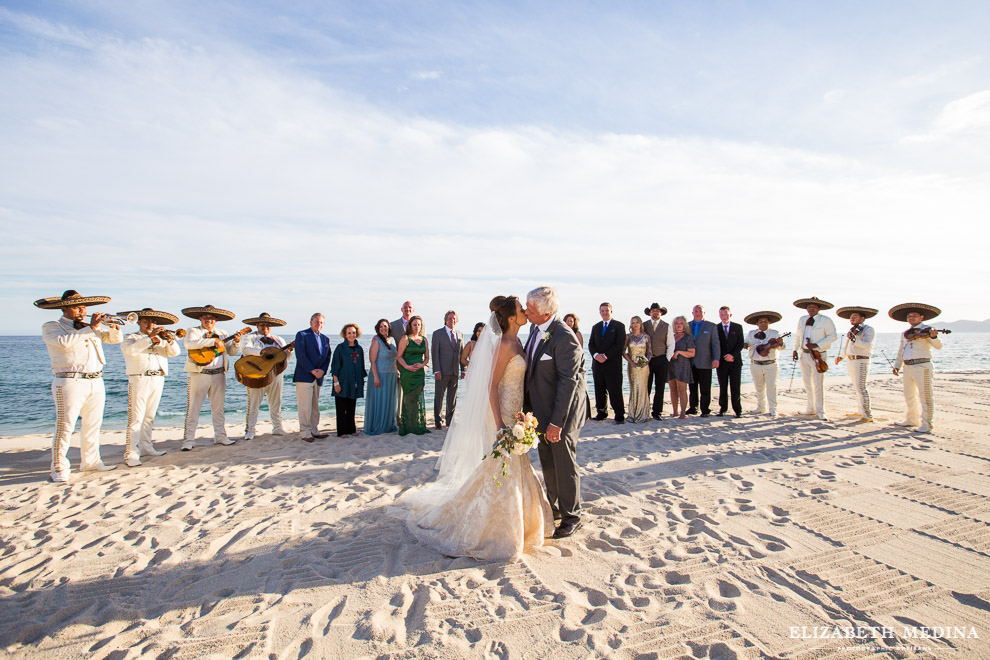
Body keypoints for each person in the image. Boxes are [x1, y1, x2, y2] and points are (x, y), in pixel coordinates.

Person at [398, 295, 553, 560]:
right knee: (505, 463)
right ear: (511, 317)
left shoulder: (518, 340)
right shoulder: (504, 344)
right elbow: (491, 386)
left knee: (514, 464)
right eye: (521, 309)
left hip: (516, 413)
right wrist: (501, 423)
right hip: (501, 414)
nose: (526, 311)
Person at [36, 290, 123, 482]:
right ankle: (59, 467)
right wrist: (90, 328)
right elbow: (64, 343)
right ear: (64, 308)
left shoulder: (89, 327)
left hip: (96, 380)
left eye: (84, 307)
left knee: (93, 424)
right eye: (77, 307)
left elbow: (115, 339)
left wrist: (114, 326)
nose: (82, 310)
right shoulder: (53, 326)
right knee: (65, 425)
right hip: (69, 380)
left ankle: (91, 461)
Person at [524, 286, 588, 539]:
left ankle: (573, 515)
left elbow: (568, 383)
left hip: (562, 413)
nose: (525, 311)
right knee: (547, 460)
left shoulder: (564, 337)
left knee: (564, 461)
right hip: (541, 409)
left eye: (530, 308)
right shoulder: (534, 328)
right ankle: (555, 508)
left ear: (545, 312)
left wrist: (557, 423)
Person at [120, 308, 181, 466]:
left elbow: (174, 353)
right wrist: (149, 338)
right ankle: (131, 453)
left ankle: (146, 446)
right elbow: (130, 351)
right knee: (136, 418)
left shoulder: (160, 339)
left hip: (158, 377)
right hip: (140, 378)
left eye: (153, 322)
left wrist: (170, 340)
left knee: (149, 417)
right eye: (146, 321)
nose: (150, 324)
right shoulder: (131, 337)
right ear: (139, 322)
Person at [180, 305, 242, 451]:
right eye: (206, 317)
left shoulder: (222, 333)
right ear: (200, 318)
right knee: (193, 408)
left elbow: (231, 353)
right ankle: (189, 440)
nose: (209, 320)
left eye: (212, 318)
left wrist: (236, 342)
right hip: (199, 374)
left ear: (216, 320)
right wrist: (212, 342)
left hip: (219, 374)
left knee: (218, 408)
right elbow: (189, 344)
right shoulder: (193, 331)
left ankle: (220, 436)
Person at [891, 303, 944, 434]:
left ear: (921, 317)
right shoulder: (905, 333)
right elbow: (901, 351)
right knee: (909, 395)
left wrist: (933, 336)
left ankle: (927, 424)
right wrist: (897, 365)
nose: (911, 318)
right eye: (909, 316)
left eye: (914, 316)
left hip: (922, 366)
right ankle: (911, 419)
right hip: (908, 366)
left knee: (925, 395)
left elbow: (938, 346)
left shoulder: (928, 329)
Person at [240, 312, 291, 440]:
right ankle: (250, 430)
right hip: (257, 373)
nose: (265, 328)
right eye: (262, 325)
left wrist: (290, 350)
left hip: (276, 373)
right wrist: (261, 352)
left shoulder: (278, 340)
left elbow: (286, 357)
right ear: (257, 325)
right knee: (253, 403)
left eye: (268, 325)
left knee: (276, 402)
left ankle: (277, 427)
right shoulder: (249, 338)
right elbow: (245, 350)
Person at [792, 296, 837, 421]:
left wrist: (817, 345)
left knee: (818, 383)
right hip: (804, 354)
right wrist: (795, 349)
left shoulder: (826, 320)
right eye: (808, 307)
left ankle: (820, 410)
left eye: (813, 307)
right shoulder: (802, 319)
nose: (810, 309)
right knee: (807, 383)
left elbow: (833, 336)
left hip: (818, 355)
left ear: (819, 308)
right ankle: (810, 408)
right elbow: (797, 335)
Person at [835, 306, 878, 423]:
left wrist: (854, 339)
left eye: (855, 317)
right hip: (851, 359)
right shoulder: (852, 330)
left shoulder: (868, 329)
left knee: (861, 387)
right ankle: (860, 410)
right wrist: (841, 357)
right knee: (856, 387)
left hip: (862, 360)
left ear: (862, 318)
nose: (852, 319)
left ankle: (867, 414)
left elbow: (866, 345)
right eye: (851, 317)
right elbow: (847, 347)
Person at [293, 313, 331, 442]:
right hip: (304, 376)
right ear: (311, 322)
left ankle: (314, 429)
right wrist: (312, 370)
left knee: (315, 406)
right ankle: (305, 432)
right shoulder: (302, 335)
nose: (318, 324)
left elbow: (327, 357)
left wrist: (323, 371)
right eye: (316, 322)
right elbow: (301, 355)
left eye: (321, 323)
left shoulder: (325, 339)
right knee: (305, 406)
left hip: (318, 377)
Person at [588, 302, 626, 424]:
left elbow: (619, 345)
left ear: (611, 311)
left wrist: (606, 356)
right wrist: (595, 356)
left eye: (607, 310)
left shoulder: (619, 326)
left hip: (612, 364)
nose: (604, 313)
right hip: (598, 364)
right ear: (600, 312)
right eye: (602, 311)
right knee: (599, 389)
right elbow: (591, 344)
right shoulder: (596, 327)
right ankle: (601, 413)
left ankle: (619, 415)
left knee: (614, 390)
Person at [743, 311, 785, 418]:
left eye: (765, 322)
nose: (763, 323)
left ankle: (773, 409)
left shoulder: (775, 333)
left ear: (769, 322)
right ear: (757, 323)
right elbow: (745, 343)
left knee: (772, 387)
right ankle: (761, 407)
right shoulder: (751, 333)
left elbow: (782, 347)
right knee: (759, 387)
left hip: (771, 364)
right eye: (761, 322)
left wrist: (779, 343)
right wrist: (745, 345)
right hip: (755, 364)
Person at [331, 323, 366, 438]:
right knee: (341, 408)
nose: (352, 335)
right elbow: (335, 367)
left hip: (354, 382)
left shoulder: (359, 349)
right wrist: (336, 383)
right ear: (345, 335)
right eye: (349, 333)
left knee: (352, 407)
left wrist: (361, 382)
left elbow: (361, 366)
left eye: (354, 333)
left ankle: (351, 429)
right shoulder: (340, 348)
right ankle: (341, 432)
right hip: (342, 382)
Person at [365, 319, 399, 436]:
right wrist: (376, 377)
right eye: (381, 326)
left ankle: (388, 425)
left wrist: (398, 372)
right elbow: (372, 361)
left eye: (385, 326)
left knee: (389, 401)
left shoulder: (392, 340)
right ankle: (378, 425)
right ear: (378, 329)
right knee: (380, 401)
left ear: (389, 327)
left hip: (392, 375)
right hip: (380, 375)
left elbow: (395, 358)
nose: (383, 328)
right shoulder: (376, 341)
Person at [397, 315, 430, 435]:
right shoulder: (405, 338)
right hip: (407, 373)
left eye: (419, 325)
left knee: (417, 399)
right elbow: (399, 356)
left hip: (419, 373)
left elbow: (427, 358)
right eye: (414, 324)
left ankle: (417, 425)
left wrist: (422, 365)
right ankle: (408, 426)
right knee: (408, 399)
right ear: (410, 325)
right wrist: (406, 367)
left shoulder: (424, 339)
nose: (417, 327)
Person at [431, 310, 463, 429]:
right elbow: (435, 353)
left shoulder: (460, 334)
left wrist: (463, 369)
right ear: (445, 320)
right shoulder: (438, 334)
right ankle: (438, 420)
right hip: (442, 371)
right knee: (439, 396)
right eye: (450, 318)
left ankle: (449, 420)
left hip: (454, 371)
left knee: (452, 397)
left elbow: (461, 353)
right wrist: (436, 370)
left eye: (454, 318)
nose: (452, 320)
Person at [687, 305, 720, 417]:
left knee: (705, 388)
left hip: (705, 361)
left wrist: (716, 358)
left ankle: (705, 409)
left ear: (704, 313)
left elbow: (715, 344)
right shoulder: (688, 326)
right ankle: (693, 407)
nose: (698, 313)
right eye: (696, 311)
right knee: (692, 387)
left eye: (700, 311)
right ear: (692, 313)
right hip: (691, 362)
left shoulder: (711, 326)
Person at [643, 303, 674, 420]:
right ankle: (645, 410)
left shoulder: (667, 326)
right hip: (648, 360)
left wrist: (667, 358)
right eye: (653, 311)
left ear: (660, 313)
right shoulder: (644, 325)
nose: (655, 313)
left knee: (660, 387)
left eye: (657, 311)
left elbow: (671, 343)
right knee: (647, 387)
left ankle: (657, 412)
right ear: (650, 313)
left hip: (662, 359)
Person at [715, 306, 745, 418]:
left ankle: (738, 410)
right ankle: (723, 409)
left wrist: (732, 355)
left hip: (735, 361)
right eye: (722, 315)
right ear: (719, 316)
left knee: (735, 387)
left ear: (730, 315)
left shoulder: (737, 327)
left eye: (726, 314)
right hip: (722, 363)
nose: (724, 317)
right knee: (723, 387)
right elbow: (715, 344)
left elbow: (740, 343)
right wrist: (722, 357)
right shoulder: (716, 328)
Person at [622, 316, 652, 423]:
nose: (635, 324)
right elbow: (623, 352)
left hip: (643, 366)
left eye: (637, 322)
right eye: (633, 322)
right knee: (634, 388)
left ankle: (643, 414)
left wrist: (645, 362)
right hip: (632, 366)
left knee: (643, 388)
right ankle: (633, 414)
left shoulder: (646, 337)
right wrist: (631, 363)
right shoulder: (628, 337)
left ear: (640, 324)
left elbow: (650, 352)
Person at [667, 316, 696, 419]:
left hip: (682, 365)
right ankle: (675, 412)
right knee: (672, 389)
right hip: (671, 365)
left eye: (680, 323)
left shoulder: (688, 337)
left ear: (684, 325)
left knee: (682, 390)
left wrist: (679, 352)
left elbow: (692, 353)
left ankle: (683, 412)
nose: (678, 325)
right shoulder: (671, 336)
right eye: (676, 323)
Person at [391, 301, 415, 414]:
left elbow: (424, 345)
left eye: (410, 307)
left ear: (413, 310)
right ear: (401, 309)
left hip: (415, 365)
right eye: (405, 307)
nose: (407, 309)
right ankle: (399, 418)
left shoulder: (419, 324)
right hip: (399, 365)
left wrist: (425, 366)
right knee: (399, 395)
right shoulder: (393, 325)